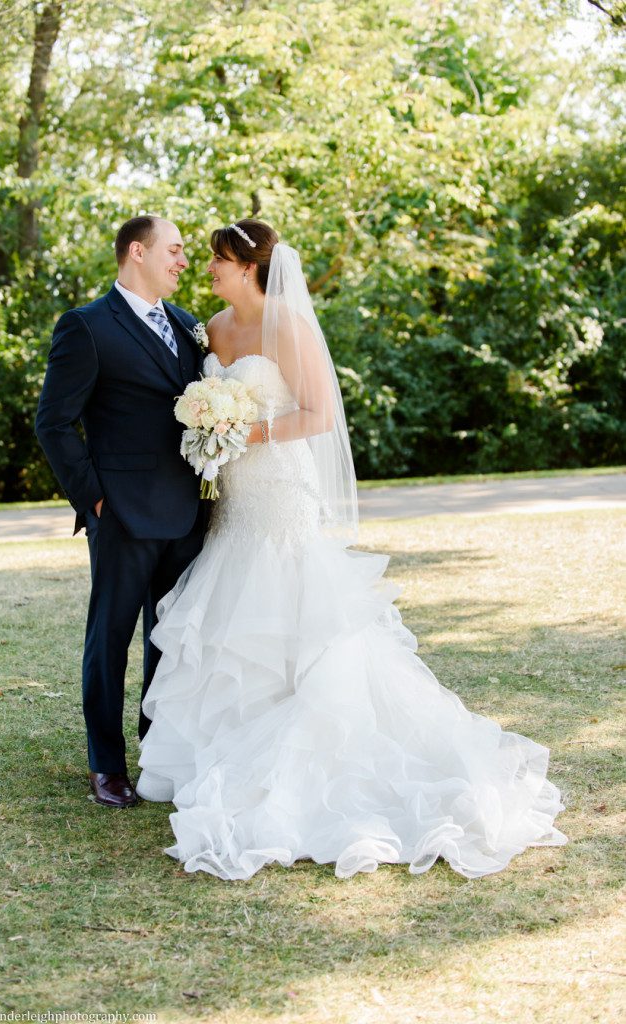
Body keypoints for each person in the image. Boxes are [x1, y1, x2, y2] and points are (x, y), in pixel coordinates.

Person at [135, 218, 568, 880]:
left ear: (249, 267)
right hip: (234, 500)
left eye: (219, 260)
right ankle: (221, 750)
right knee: (231, 614)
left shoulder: (289, 326)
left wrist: (245, 432)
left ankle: (301, 750)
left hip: (281, 488)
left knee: (294, 612)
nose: (209, 269)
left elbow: (319, 414)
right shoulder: (213, 331)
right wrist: (211, 431)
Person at [35, 216, 206, 809]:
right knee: (109, 639)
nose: (183, 262)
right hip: (124, 514)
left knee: (172, 639)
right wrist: (95, 498)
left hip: (188, 514)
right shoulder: (85, 327)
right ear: (138, 252)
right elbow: (53, 422)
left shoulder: (188, 327)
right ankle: (106, 765)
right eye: (176, 250)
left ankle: (157, 749)